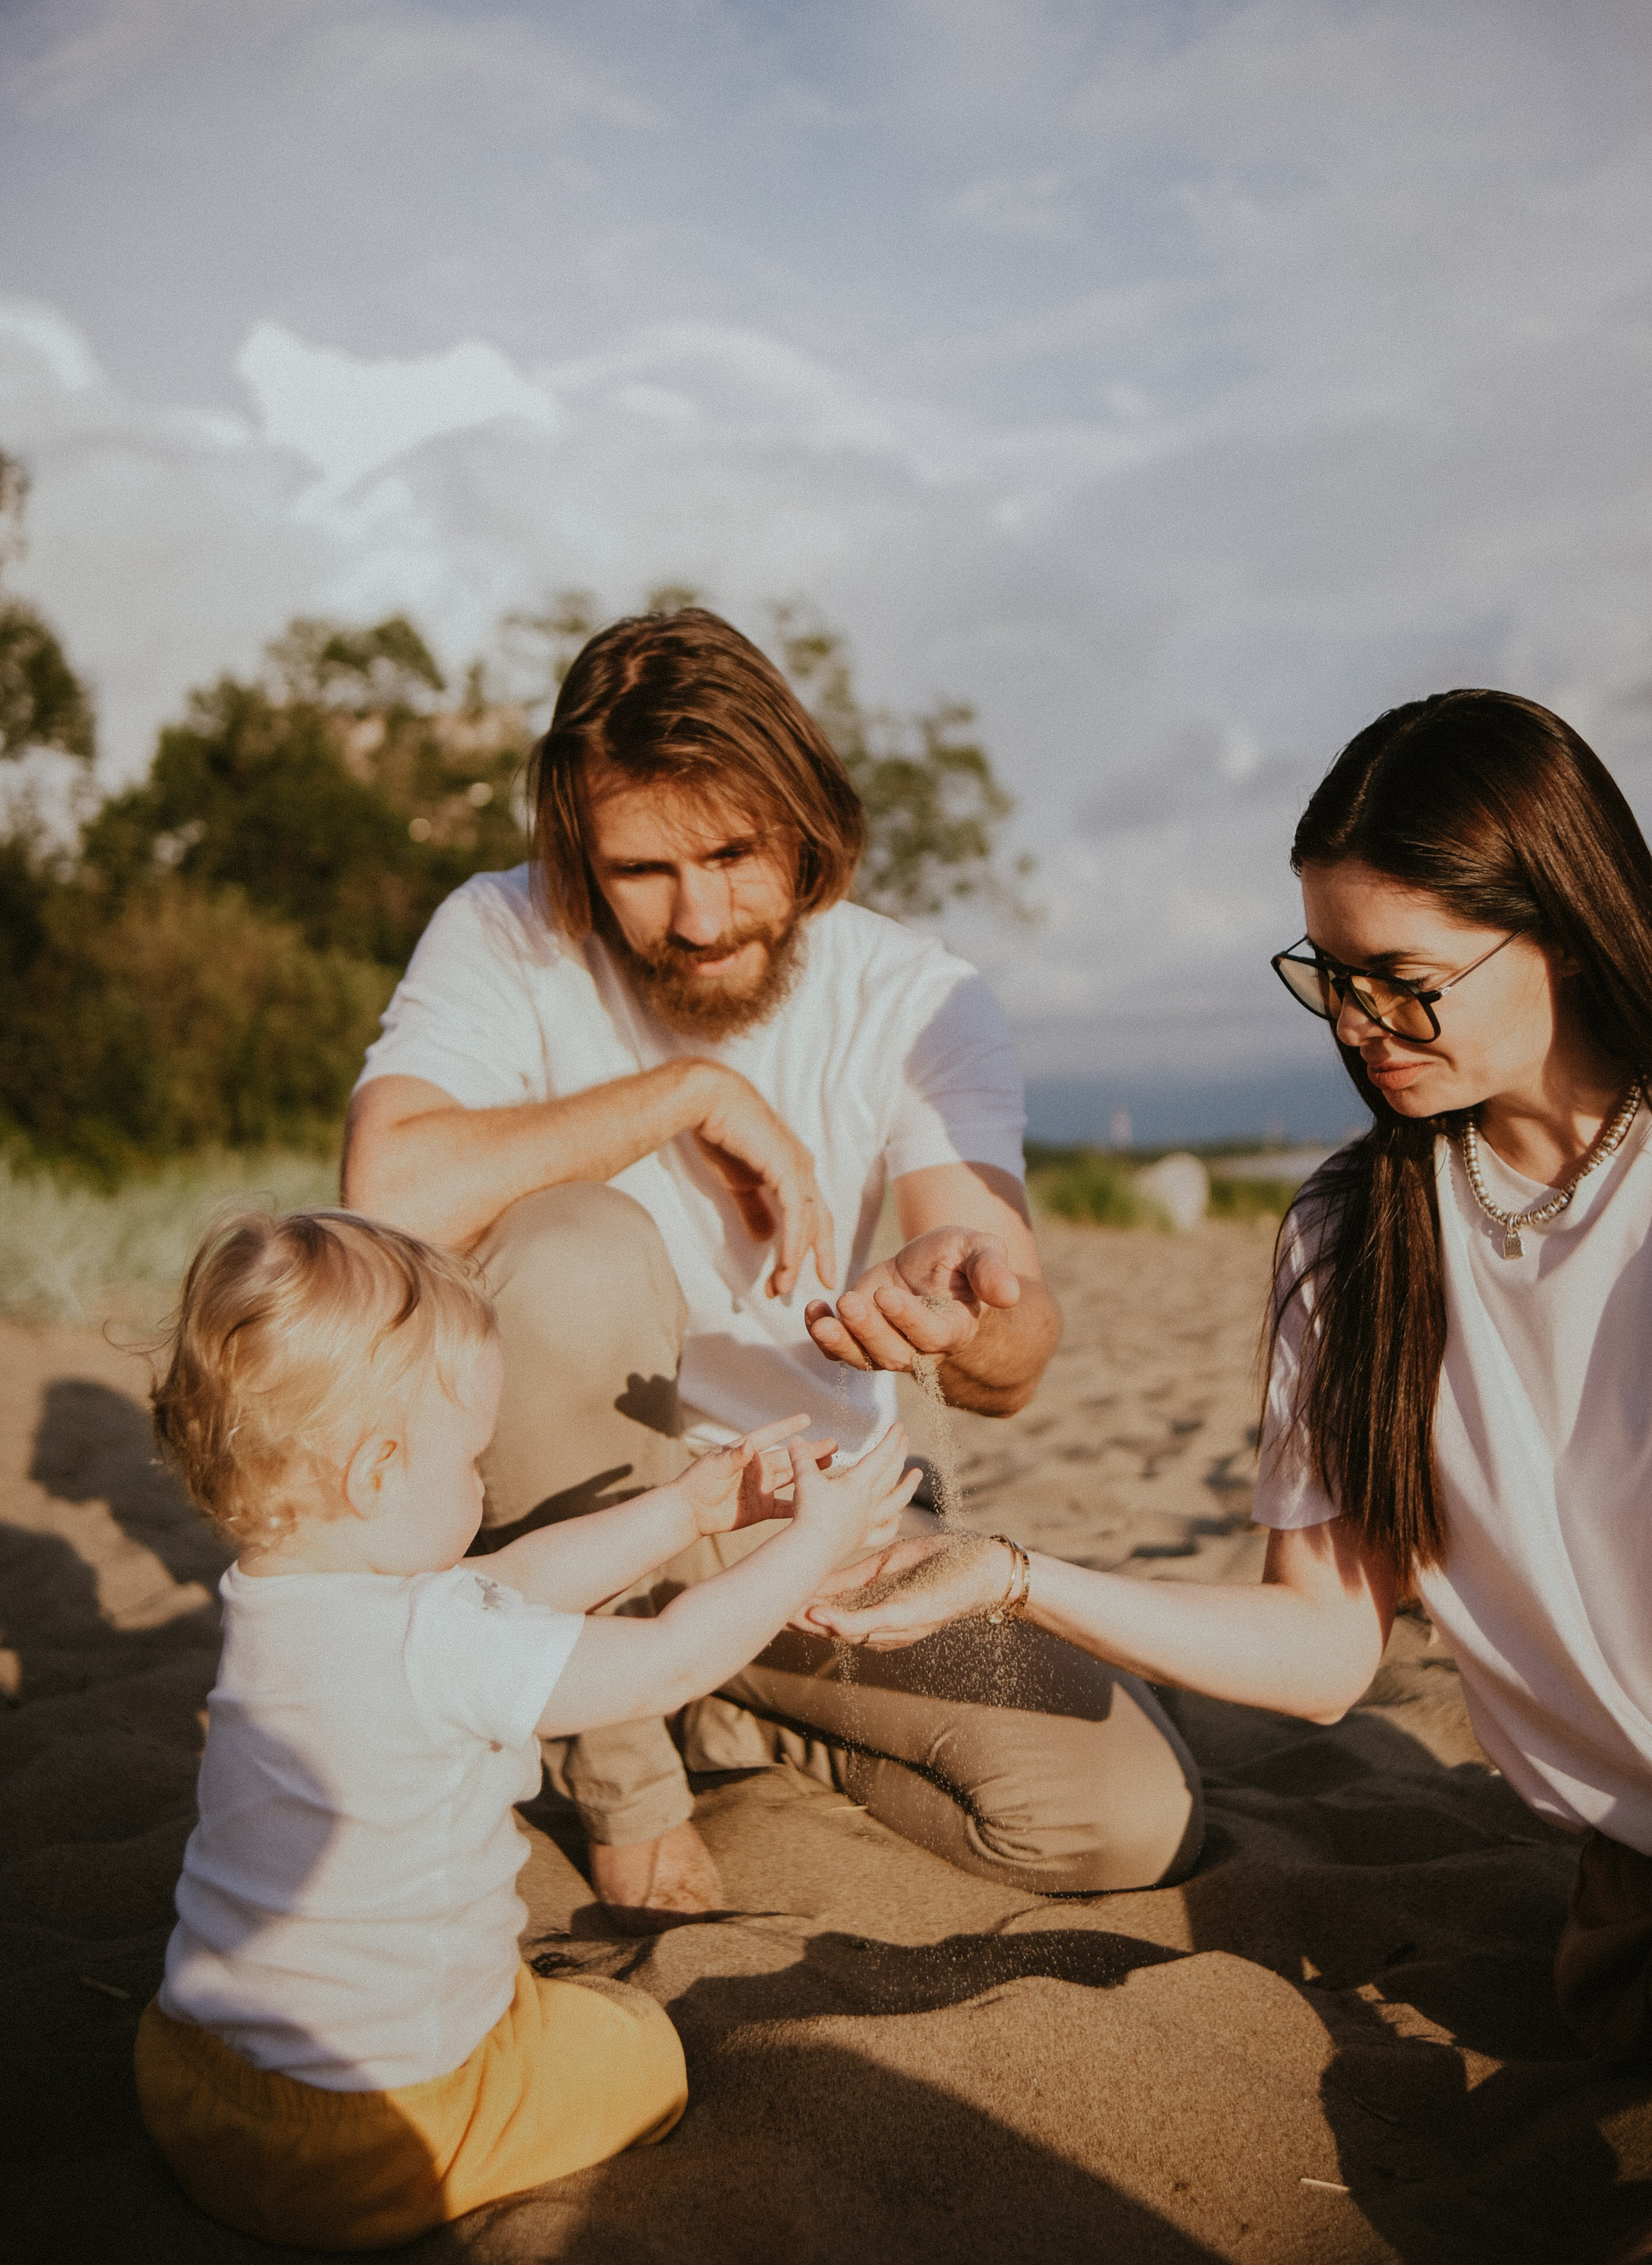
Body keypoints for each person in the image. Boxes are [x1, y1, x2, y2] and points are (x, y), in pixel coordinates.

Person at [805, 688, 1652, 2067]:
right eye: (1325, 972)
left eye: (1401, 975)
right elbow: (1323, 1653)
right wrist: (1014, 1576)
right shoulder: (1350, 1240)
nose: (1358, 1022)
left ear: (1554, 924)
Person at [342, 608, 1202, 1924]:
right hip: (550, 1534)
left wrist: (954, 1306)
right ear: (577, 851)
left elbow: (1012, 1365)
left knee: (1119, 1817)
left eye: (732, 853)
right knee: (575, 1246)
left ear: (805, 820)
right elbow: (384, 1192)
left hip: (804, 1516)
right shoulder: (504, 932)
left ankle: (712, 1695)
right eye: (638, 870)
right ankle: (626, 1779)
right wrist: (683, 1094)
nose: (695, 917)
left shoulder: (919, 997)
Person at [134, 1206, 916, 2251]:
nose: (481, 1483)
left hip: (196, 2081)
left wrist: (684, 1511)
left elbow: (502, 1584)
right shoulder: (437, 1639)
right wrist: (812, 1548)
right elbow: (669, 1661)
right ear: (375, 1473)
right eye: (471, 1462)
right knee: (642, 2054)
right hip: (376, 2133)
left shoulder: (280, 1597)